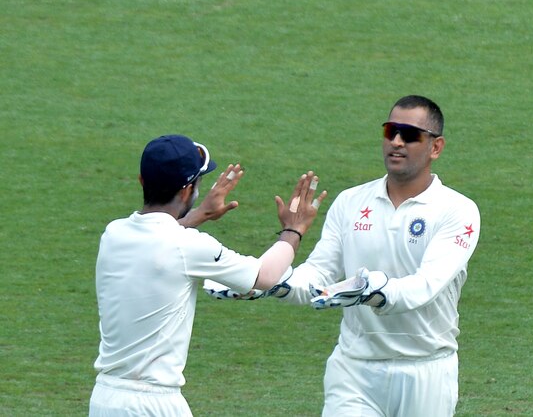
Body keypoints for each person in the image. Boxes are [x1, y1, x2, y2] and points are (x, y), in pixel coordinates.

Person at [207, 95, 480, 416]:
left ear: (436, 147)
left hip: (425, 371)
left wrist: (370, 289)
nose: (396, 141)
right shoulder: (351, 202)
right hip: (355, 371)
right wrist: (267, 282)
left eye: (409, 135)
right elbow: (317, 278)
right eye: (390, 130)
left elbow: (424, 287)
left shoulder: (458, 211)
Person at [88, 134, 327, 416]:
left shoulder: (113, 233)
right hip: (154, 404)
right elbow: (265, 275)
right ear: (188, 190)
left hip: (104, 398)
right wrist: (293, 229)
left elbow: (161, 241)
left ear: (142, 180)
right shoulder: (189, 245)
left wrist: (198, 215)